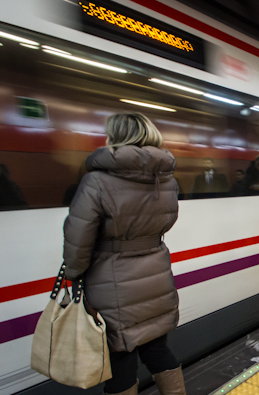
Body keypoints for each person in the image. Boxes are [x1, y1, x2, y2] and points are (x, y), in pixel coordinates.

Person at [62, 113, 184, 395]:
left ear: (115, 137)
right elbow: (167, 221)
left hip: (111, 280)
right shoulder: (166, 179)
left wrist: (74, 274)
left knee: (120, 360)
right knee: (157, 349)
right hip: (156, 273)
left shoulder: (96, 181)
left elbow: (78, 239)